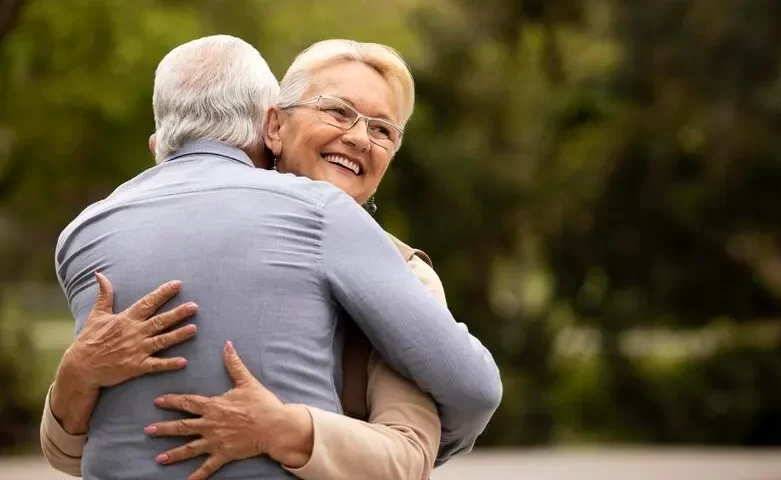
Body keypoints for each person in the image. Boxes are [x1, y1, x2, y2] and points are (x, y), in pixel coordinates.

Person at [40, 35, 501, 480]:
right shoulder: (182, 237)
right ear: (274, 126)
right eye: (338, 111)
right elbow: (83, 448)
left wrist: (285, 431)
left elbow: (412, 455)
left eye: (383, 130)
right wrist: (79, 372)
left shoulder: (408, 274)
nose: (360, 137)